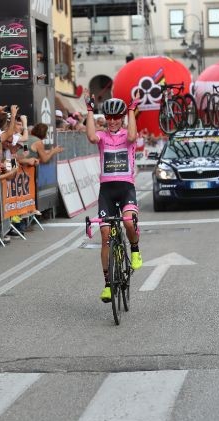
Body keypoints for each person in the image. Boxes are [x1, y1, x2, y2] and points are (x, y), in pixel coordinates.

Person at [85, 92, 143, 303]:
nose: (112, 121)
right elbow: (91, 137)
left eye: (116, 117)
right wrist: (90, 110)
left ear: (121, 117)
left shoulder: (127, 134)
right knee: (106, 235)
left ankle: (135, 249)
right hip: (107, 192)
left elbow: (132, 137)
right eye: (108, 118)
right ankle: (108, 284)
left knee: (128, 222)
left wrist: (131, 108)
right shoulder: (102, 136)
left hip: (126, 188)